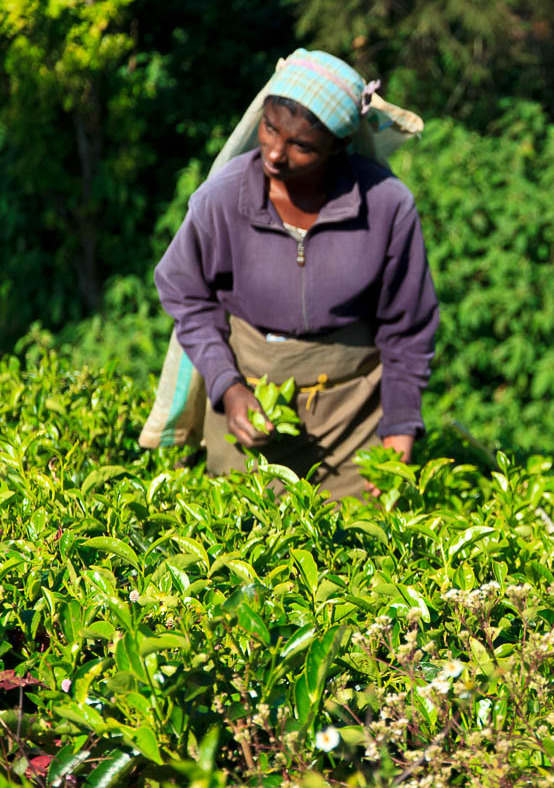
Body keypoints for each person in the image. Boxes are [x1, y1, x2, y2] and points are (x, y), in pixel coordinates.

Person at [154, 49, 438, 498]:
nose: (275, 153)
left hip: (352, 420)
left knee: (355, 553)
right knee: (237, 546)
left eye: (301, 145)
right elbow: (186, 294)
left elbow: (408, 327)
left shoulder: (386, 206)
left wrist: (401, 424)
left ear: (339, 147)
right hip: (248, 408)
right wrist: (228, 387)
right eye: (269, 128)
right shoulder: (224, 199)